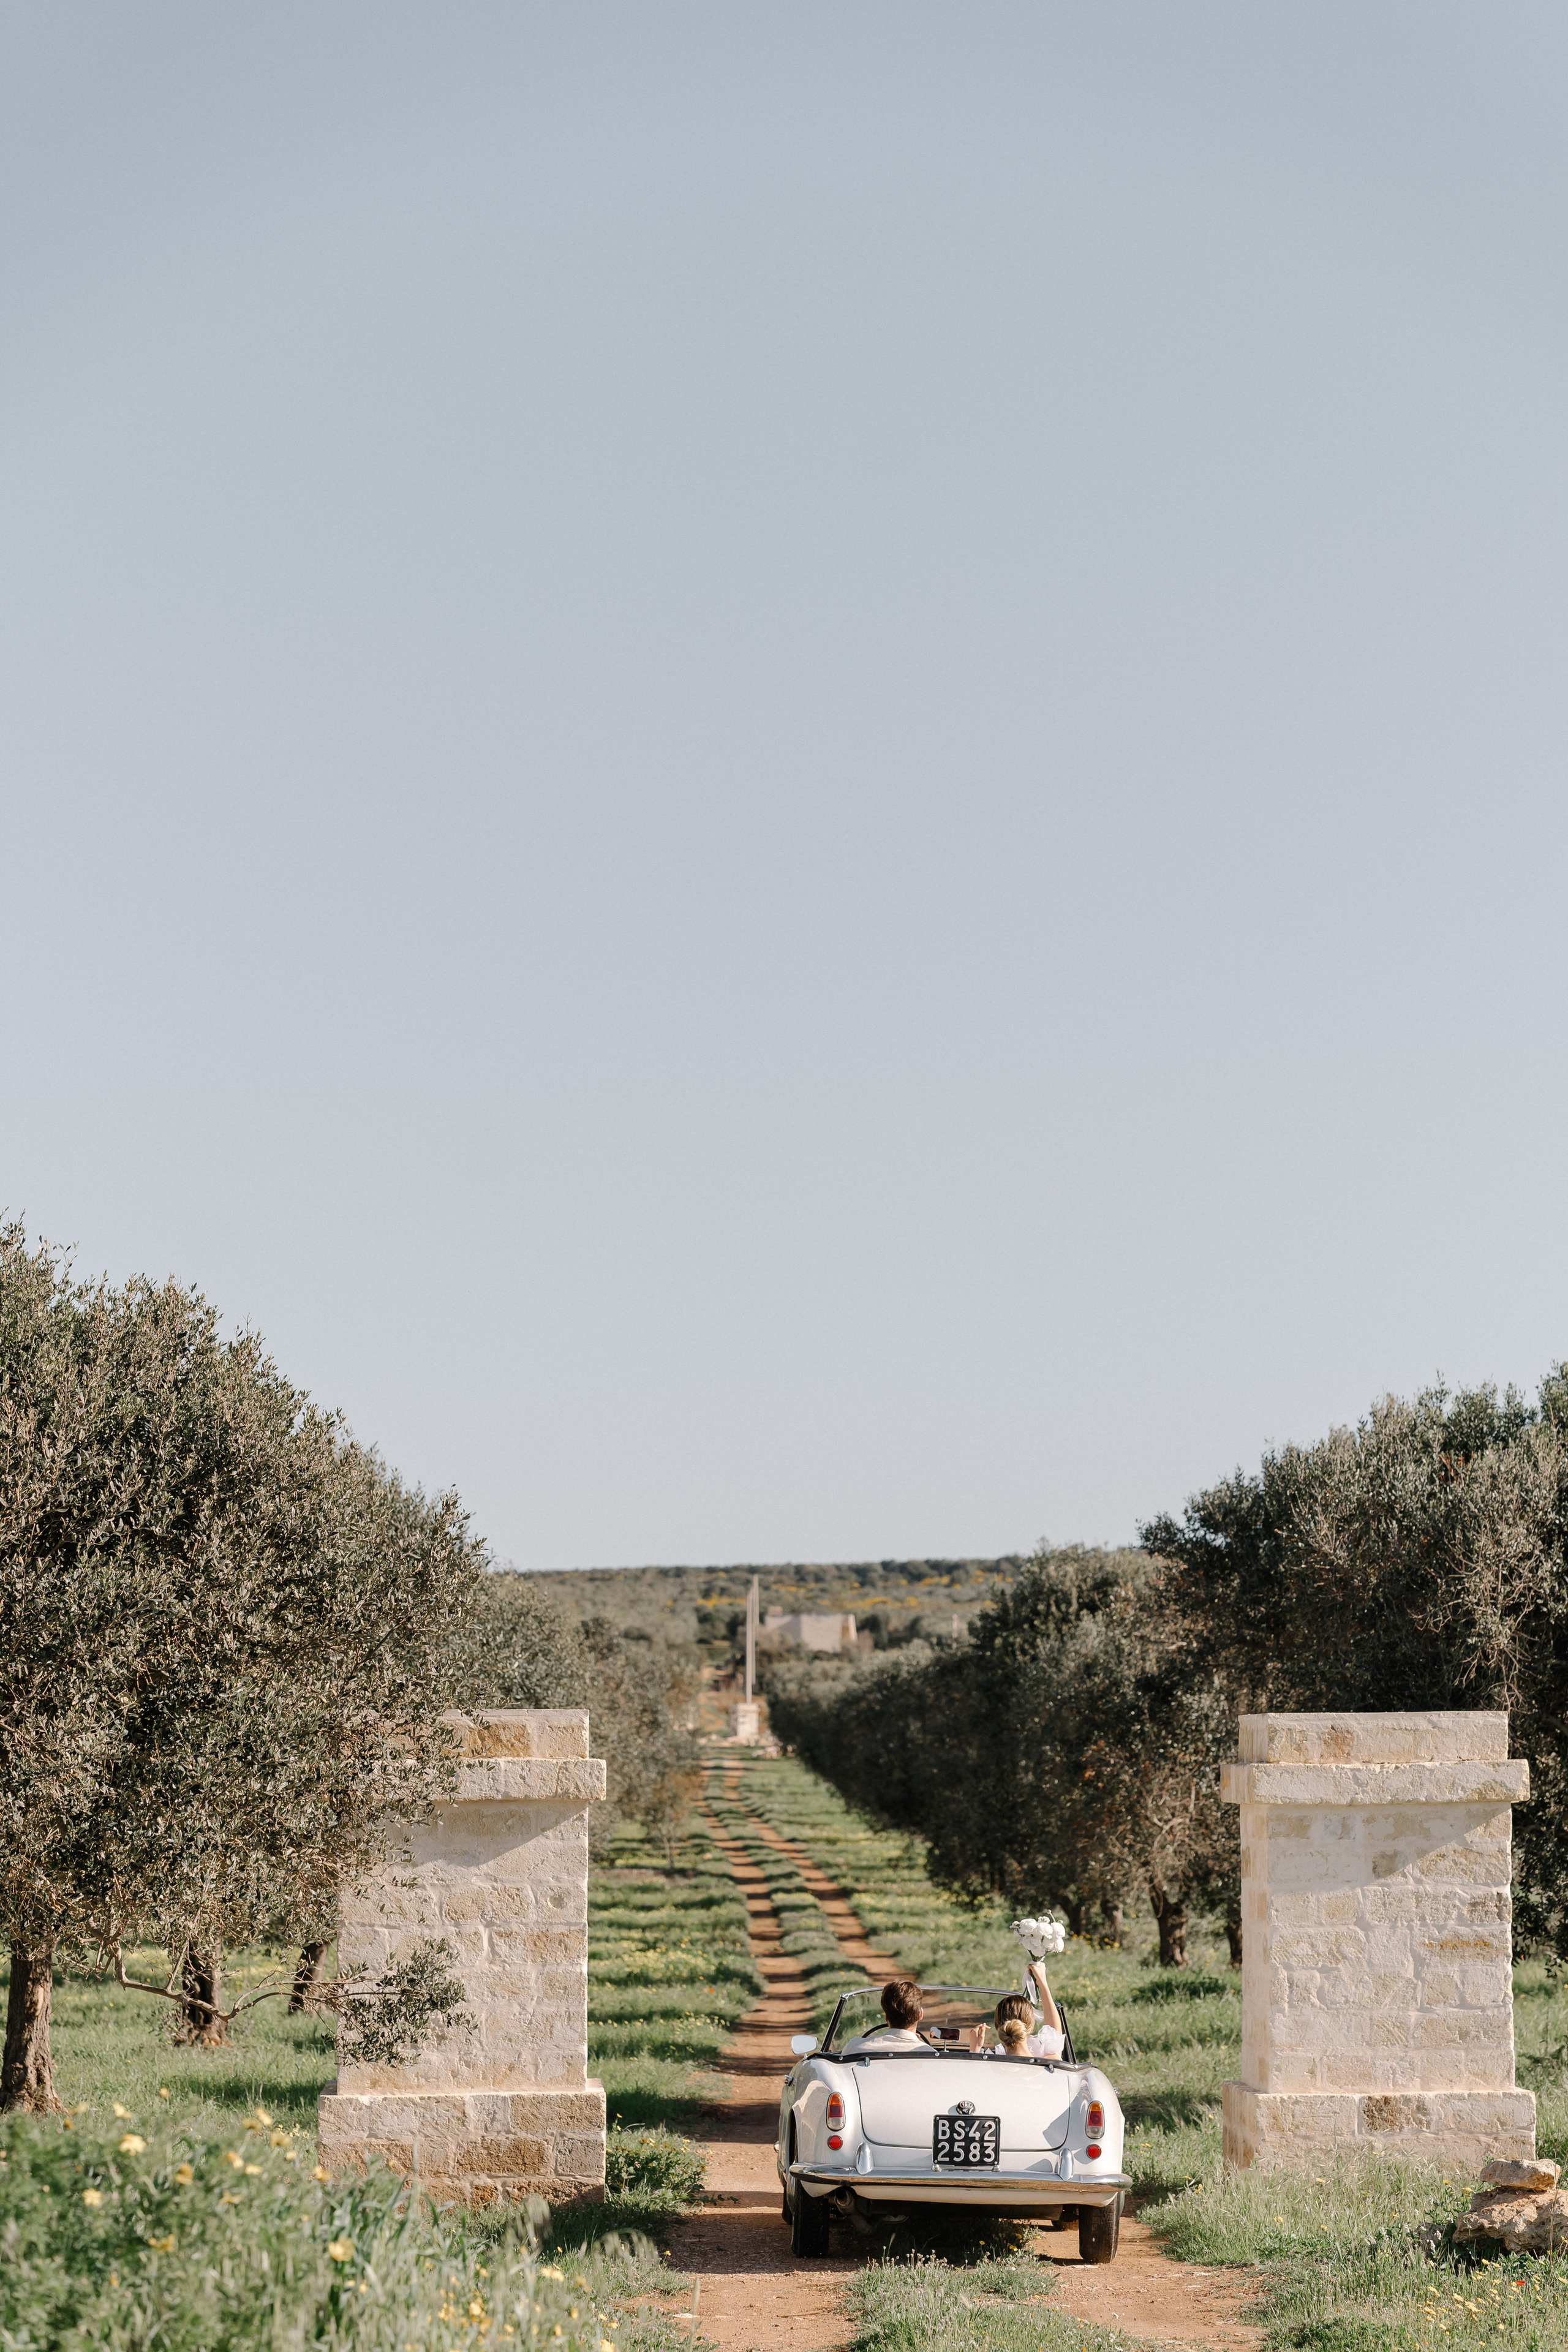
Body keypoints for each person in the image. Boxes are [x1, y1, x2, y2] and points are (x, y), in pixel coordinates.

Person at [989, 1959, 1065, 2058]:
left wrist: (975, 2049)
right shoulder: (1050, 2064)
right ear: (1031, 2026)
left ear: (998, 2028)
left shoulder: (987, 2064)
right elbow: (1054, 2034)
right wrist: (1042, 1982)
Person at [842, 1977, 936, 2054]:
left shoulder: (854, 2047)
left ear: (886, 2017)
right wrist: (917, 2043)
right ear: (921, 2014)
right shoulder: (931, 2055)